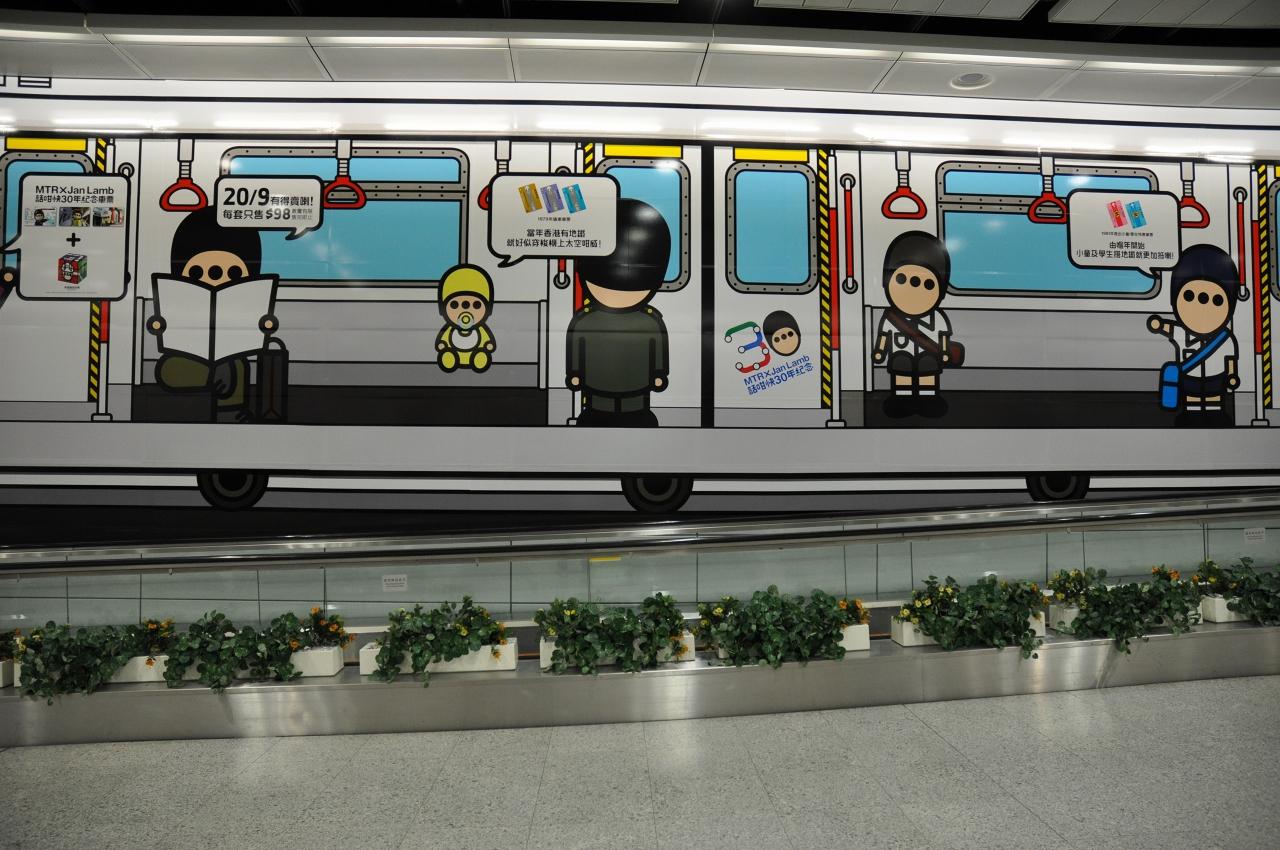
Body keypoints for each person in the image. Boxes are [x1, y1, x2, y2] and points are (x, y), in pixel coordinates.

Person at [147, 207, 274, 423]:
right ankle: (225, 410)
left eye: (233, 273)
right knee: (217, 369)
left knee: (234, 365)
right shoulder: (179, 300)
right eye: (197, 272)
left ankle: (230, 411)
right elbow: (160, 324)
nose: (215, 279)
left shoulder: (241, 304)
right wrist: (158, 325)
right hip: (182, 357)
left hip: (228, 358)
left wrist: (265, 325)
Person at [566, 199, 670, 427]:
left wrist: (660, 373)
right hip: (597, 398)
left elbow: (658, 350)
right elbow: (576, 348)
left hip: (636, 398)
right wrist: (574, 372)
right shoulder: (587, 320)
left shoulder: (587, 320)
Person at [1147, 244, 1239, 426]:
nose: (1203, 304)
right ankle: (1192, 417)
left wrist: (1231, 374)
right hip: (1190, 378)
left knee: (1213, 401)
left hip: (1215, 377)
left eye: (1217, 300)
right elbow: (1169, 328)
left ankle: (1213, 417)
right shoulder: (1183, 332)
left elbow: (1230, 360)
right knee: (1192, 401)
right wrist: (1159, 325)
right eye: (1189, 296)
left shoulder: (1224, 339)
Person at [872, 231, 957, 418]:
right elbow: (884, 337)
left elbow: (943, 337)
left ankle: (928, 398)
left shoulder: (937, 318)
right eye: (902, 280)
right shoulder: (891, 318)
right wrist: (880, 351)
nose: (915, 289)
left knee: (928, 367)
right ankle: (902, 399)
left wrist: (944, 352)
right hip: (901, 352)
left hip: (928, 354)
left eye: (928, 285)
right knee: (900, 365)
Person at [435, 264, 497, 373]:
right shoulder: (449, 329)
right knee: (449, 354)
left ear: (488, 309)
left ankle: (480, 358)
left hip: (475, 352)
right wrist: (442, 345)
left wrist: (488, 345)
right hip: (454, 353)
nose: (465, 310)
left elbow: (487, 340)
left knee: (480, 354)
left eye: (476, 305)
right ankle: (449, 358)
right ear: (442, 308)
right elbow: (443, 339)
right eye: (454, 305)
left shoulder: (481, 330)